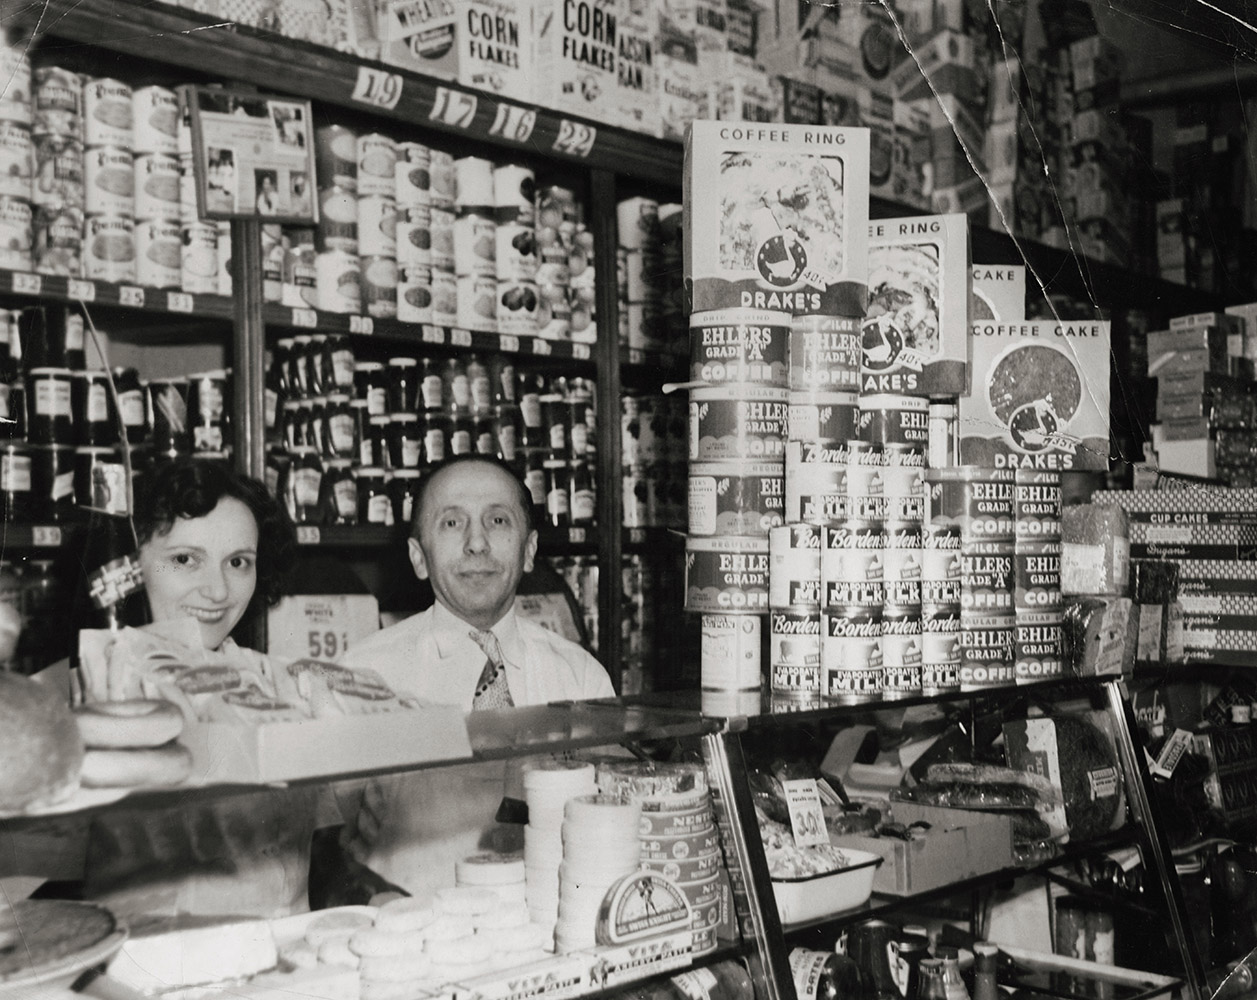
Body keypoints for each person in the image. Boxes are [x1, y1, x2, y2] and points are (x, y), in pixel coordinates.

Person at [338, 454, 613, 898]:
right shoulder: (365, 675)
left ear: (529, 551)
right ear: (418, 556)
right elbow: (335, 848)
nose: (476, 543)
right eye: (451, 523)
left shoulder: (580, 676)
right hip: (419, 939)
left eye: (498, 520)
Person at [79, 459, 341, 919]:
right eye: (185, 559)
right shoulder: (90, 688)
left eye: (238, 562)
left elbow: (323, 855)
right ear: (128, 565)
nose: (217, 590)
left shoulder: (283, 683)